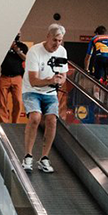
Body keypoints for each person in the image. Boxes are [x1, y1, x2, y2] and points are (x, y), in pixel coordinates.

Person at [21, 24, 69, 173]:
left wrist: (59, 80)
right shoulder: (34, 51)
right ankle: (28, 156)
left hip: (50, 93)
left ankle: (44, 158)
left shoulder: (62, 51)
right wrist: (51, 80)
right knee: (35, 117)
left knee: (52, 120)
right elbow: (34, 80)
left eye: (60, 40)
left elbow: (64, 75)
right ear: (48, 36)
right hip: (32, 90)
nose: (57, 44)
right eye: (55, 40)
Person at [0, 34, 27, 123]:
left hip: (17, 77)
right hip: (4, 76)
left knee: (18, 101)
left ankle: (15, 122)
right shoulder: (2, 45)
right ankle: (4, 123)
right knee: (1, 102)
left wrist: (16, 48)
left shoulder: (23, 46)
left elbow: (25, 58)